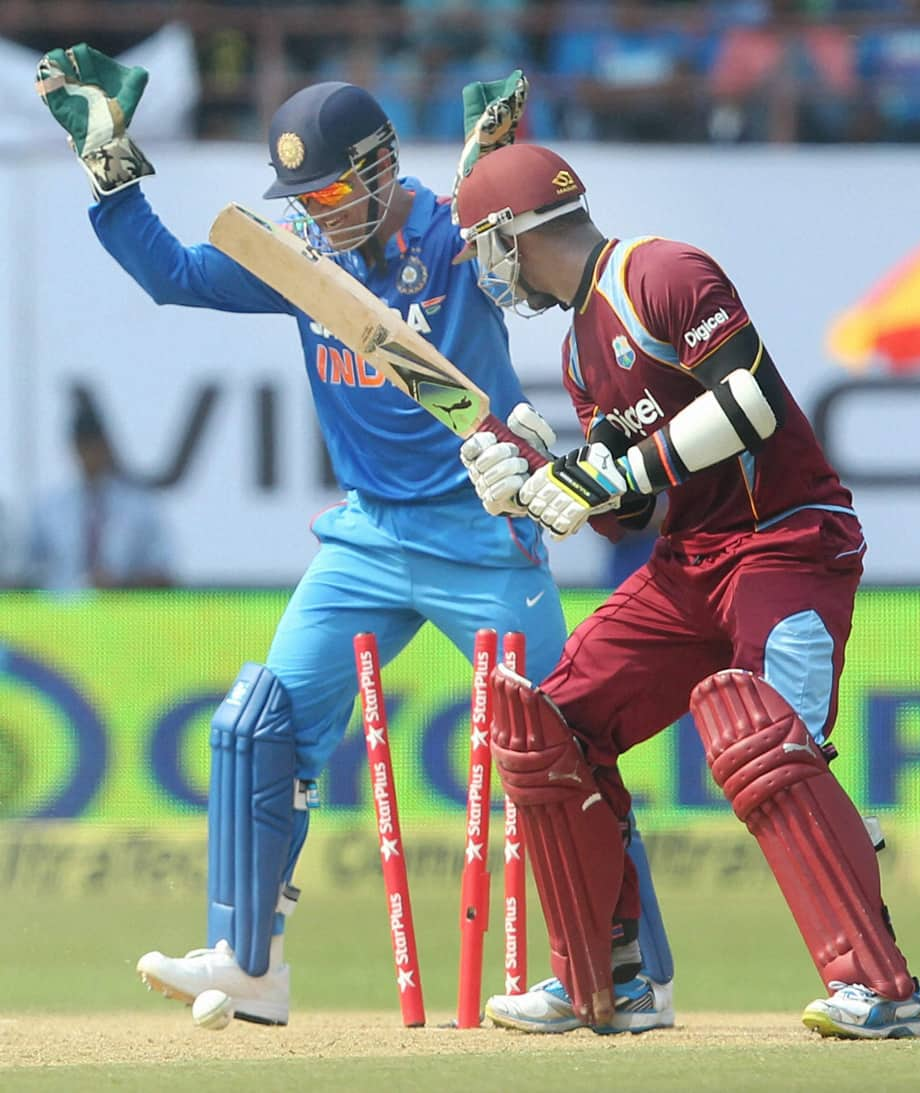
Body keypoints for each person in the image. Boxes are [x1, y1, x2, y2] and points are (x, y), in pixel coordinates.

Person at [35, 46, 675, 1030]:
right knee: (262, 729)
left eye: (333, 189)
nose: (319, 212)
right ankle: (251, 962)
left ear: (382, 169)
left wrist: (496, 169)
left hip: (480, 533)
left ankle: (631, 970)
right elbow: (172, 276)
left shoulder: (459, 235)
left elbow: (538, 261)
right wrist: (109, 171)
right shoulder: (304, 257)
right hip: (366, 537)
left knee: (559, 750)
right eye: (302, 195)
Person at [454, 142, 920, 1040]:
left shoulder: (659, 272)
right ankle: (614, 979)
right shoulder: (579, 350)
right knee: (548, 723)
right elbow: (625, 518)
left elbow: (750, 402)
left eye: (488, 246)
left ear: (515, 234)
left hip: (789, 537)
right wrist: (543, 482)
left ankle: (881, 986)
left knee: (768, 745)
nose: (490, 271)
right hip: (690, 562)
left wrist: (612, 469)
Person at [25, 393, 173, 591]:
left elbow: (164, 573)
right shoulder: (48, 509)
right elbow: (28, 573)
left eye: (95, 446)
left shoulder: (139, 507)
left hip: (124, 613)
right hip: (62, 617)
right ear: (74, 449)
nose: (90, 454)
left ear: (106, 446)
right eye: (83, 447)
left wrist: (122, 583)